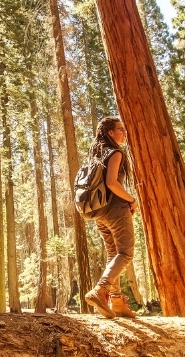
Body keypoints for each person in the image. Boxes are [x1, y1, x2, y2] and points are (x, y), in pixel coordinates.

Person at [84, 116, 138, 319]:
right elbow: (112, 183)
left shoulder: (97, 155)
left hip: (100, 212)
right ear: (110, 133)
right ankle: (100, 290)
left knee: (113, 254)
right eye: (120, 129)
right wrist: (132, 200)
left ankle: (117, 302)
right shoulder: (115, 153)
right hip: (116, 210)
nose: (124, 133)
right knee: (125, 253)